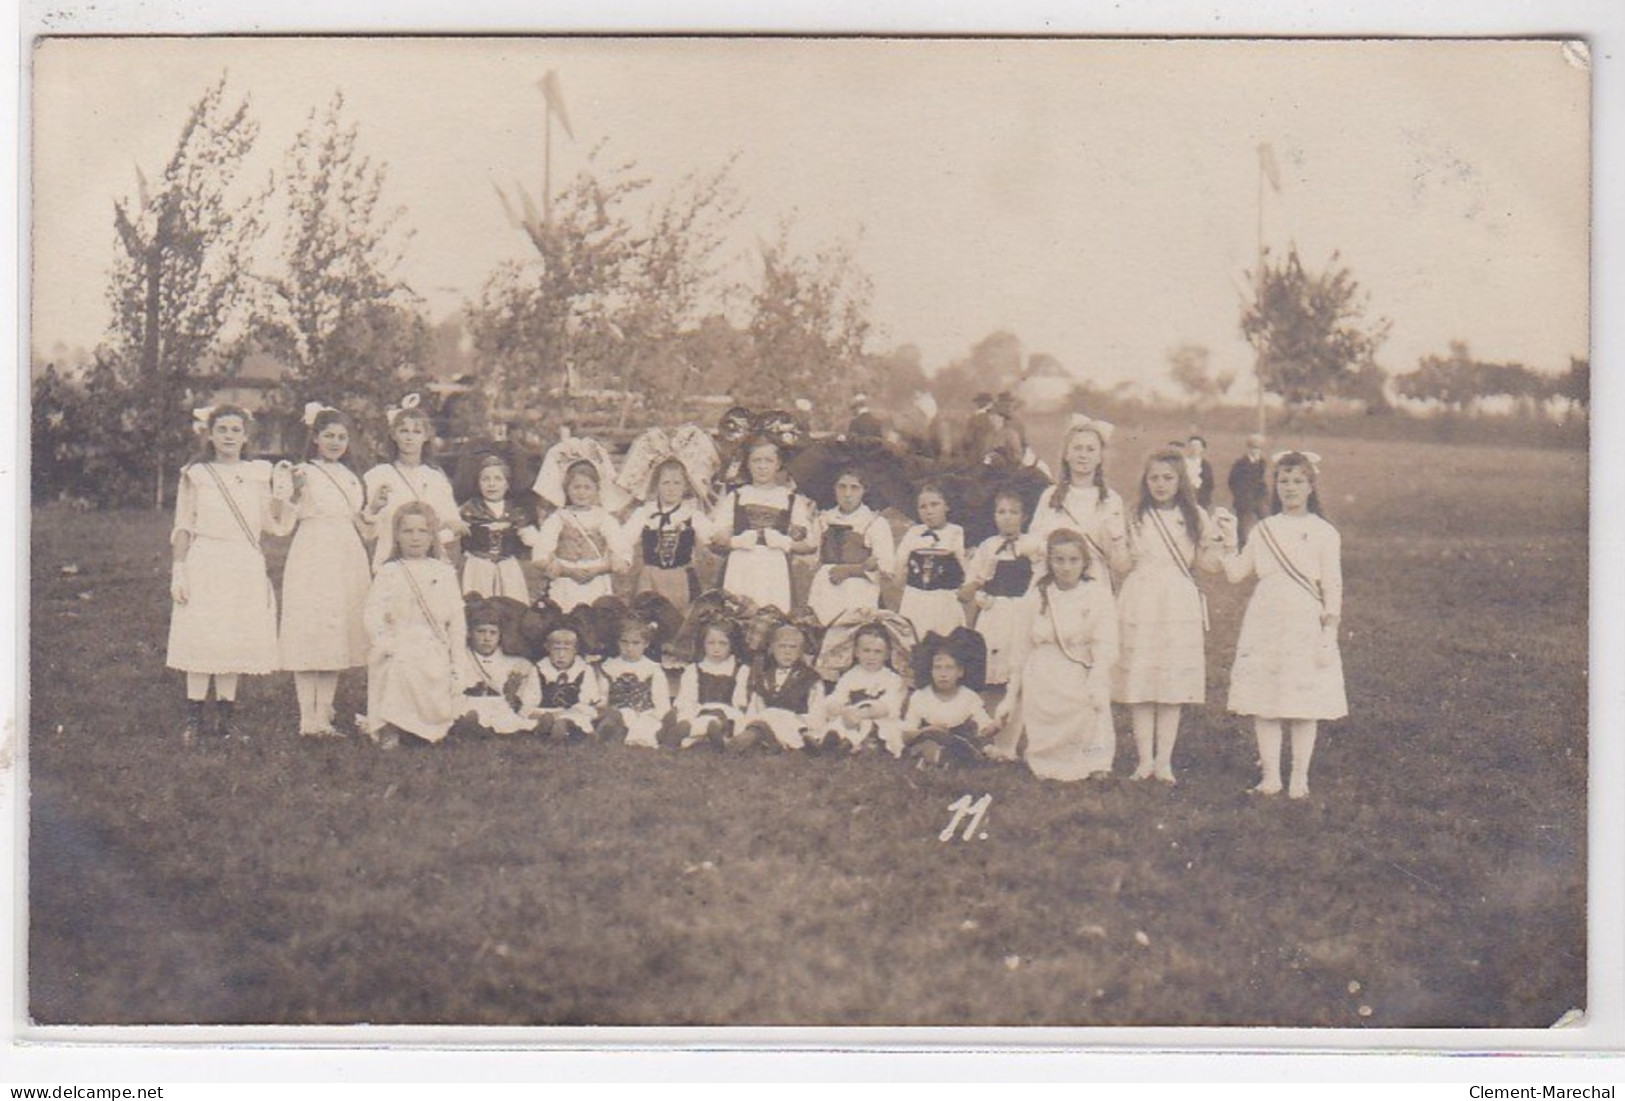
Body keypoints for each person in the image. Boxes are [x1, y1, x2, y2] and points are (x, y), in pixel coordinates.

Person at [1215, 451, 1346, 799]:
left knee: (1305, 702)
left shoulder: (1324, 532)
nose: (1290, 488)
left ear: (1311, 486)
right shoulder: (1264, 529)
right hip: (1266, 618)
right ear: (1275, 486)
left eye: (1298, 481)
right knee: (1266, 699)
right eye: (1283, 481)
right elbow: (1236, 573)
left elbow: (1332, 585)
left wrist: (1329, 631)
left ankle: (1299, 778)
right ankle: (1271, 777)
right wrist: (1229, 537)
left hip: (1305, 619)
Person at [167, 404, 295, 742]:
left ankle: (226, 719)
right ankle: (194, 718)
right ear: (210, 434)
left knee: (233, 637)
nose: (228, 436)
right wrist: (179, 569)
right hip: (206, 559)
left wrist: (282, 494)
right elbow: (183, 525)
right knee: (202, 634)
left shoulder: (256, 474)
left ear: (245, 436)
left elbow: (273, 524)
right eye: (221, 429)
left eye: (235, 430)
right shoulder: (196, 474)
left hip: (243, 561)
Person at [1114, 448, 1224, 783]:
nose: (1160, 484)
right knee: (1142, 679)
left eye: (1168, 478)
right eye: (1154, 478)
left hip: (1176, 600)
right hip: (1141, 597)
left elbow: (1208, 564)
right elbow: (1121, 565)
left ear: (1181, 481)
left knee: (1171, 680)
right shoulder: (1134, 516)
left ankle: (1164, 762)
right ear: (1145, 481)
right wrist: (1115, 540)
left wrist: (1221, 539)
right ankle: (1144, 759)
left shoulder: (1195, 516)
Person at [992, 528, 1119, 779]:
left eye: (1074, 560)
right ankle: (1048, 758)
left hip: (1080, 666)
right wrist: (1011, 693)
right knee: (1044, 701)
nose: (1066, 567)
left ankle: (1094, 762)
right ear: (1049, 561)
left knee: (1093, 704)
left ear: (1084, 563)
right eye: (1059, 560)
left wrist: (1097, 675)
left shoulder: (1097, 595)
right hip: (1044, 669)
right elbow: (1021, 646)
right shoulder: (1037, 596)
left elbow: (1106, 642)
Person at [279, 403, 373, 739]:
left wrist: (372, 511)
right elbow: (285, 520)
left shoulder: (350, 477)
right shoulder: (300, 471)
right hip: (313, 551)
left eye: (342, 437)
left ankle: (324, 714)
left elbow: (363, 526)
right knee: (311, 630)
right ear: (315, 438)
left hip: (346, 553)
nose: (335, 442)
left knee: (337, 632)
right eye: (329, 436)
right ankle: (308, 718)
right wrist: (294, 493)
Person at [363, 502, 469, 749]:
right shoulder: (389, 571)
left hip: (433, 642)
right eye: (408, 531)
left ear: (433, 536)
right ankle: (391, 725)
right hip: (398, 639)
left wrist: (457, 659)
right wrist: (385, 642)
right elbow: (373, 613)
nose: (415, 538)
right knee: (399, 665)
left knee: (429, 667)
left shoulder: (443, 571)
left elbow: (456, 621)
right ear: (397, 536)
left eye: (423, 531)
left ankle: (427, 725)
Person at [711, 437, 814, 614]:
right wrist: (735, 542)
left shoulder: (790, 499)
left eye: (769, 460)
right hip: (740, 567)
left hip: (774, 569)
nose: (762, 466)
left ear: (778, 464)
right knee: (736, 614)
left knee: (773, 615)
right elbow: (716, 538)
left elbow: (809, 544)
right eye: (756, 460)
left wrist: (785, 543)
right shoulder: (736, 496)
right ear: (748, 464)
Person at [363, 394, 465, 570]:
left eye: (416, 432)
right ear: (394, 435)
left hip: (430, 559)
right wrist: (373, 509)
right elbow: (368, 533)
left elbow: (450, 521)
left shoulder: (436, 478)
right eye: (404, 431)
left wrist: (442, 533)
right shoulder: (377, 476)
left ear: (426, 437)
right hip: (390, 559)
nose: (409, 437)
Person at [1029, 415, 1131, 584]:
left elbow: (1120, 562)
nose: (1083, 455)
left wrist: (1114, 540)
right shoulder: (1050, 495)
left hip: (1093, 581)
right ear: (1066, 455)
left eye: (1090, 450)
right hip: (1054, 579)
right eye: (1077, 448)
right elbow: (1035, 543)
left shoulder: (1110, 500)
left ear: (1100, 458)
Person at [962, 489, 1043, 686]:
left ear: (1024, 517)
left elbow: (1041, 578)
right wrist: (979, 594)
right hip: (994, 610)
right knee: (993, 651)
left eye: (1013, 512)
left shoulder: (1033, 544)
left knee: (1019, 653)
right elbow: (974, 578)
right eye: (1002, 512)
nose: (1007, 518)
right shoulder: (988, 546)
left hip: (1021, 609)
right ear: (995, 516)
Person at [532, 456, 633, 613]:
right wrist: (566, 570)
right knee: (565, 614)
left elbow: (621, 549)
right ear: (567, 489)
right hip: (565, 579)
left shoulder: (604, 518)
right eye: (576, 487)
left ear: (596, 490)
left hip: (596, 579)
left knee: (596, 616)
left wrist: (600, 569)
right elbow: (541, 551)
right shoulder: (559, 517)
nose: (581, 493)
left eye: (587, 487)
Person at [806, 467, 895, 626]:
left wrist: (852, 569)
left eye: (854, 487)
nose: (847, 494)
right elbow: (811, 557)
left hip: (858, 590)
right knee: (823, 630)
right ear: (834, 488)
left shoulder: (874, 522)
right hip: (826, 589)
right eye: (842, 486)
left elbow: (886, 567)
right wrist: (802, 530)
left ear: (864, 490)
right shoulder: (823, 519)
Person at [900, 628, 998, 767]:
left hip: (958, 741)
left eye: (949, 668)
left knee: (965, 744)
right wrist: (927, 730)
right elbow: (906, 735)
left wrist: (995, 726)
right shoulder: (920, 696)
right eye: (937, 668)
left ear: (960, 671)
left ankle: (947, 758)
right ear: (930, 670)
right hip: (928, 737)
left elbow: (984, 726)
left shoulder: (969, 697)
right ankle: (934, 758)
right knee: (926, 744)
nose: (943, 674)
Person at [731, 623, 824, 752]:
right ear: (772, 649)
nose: (787, 652)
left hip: (796, 727)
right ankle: (758, 739)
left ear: (801, 651)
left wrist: (809, 728)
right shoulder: (765, 677)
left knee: (773, 715)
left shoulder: (809, 677)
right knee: (764, 718)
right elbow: (756, 708)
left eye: (793, 647)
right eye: (782, 646)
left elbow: (817, 710)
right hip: (767, 725)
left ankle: (771, 741)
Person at [820, 621, 909, 755]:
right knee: (838, 723)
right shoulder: (850, 676)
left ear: (886, 655)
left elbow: (889, 706)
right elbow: (838, 696)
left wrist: (861, 714)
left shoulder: (892, 679)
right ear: (856, 652)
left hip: (878, 720)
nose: (871, 657)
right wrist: (842, 710)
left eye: (877, 652)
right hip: (851, 718)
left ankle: (851, 744)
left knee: (874, 727)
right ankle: (833, 741)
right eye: (866, 651)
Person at [458, 453, 537, 603]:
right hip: (478, 568)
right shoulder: (469, 509)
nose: (491, 484)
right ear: (478, 483)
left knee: (511, 604)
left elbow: (530, 538)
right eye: (485, 479)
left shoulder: (514, 511)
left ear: (507, 484)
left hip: (507, 567)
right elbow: (450, 532)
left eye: (498, 479)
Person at [456, 599, 541, 736]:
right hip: (469, 704)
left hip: (501, 708)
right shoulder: (460, 657)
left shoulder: (516, 662)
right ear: (469, 633)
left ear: (500, 635)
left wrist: (518, 702)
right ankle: (472, 725)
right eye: (481, 631)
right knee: (468, 709)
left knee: (505, 714)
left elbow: (529, 694)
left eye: (492, 633)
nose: (487, 638)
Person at [894, 483, 969, 639]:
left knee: (945, 640)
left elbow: (967, 567)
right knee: (915, 639)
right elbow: (900, 564)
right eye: (923, 507)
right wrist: (906, 587)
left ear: (946, 506)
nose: (929, 511)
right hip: (916, 598)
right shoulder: (913, 533)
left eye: (934, 505)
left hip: (944, 599)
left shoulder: (956, 532)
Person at [672, 618, 751, 750]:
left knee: (727, 721)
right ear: (702, 644)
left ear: (732, 645)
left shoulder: (740, 670)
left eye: (723, 644)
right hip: (700, 710)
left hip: (726, 713)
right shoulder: (694, 669)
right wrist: (688, 713)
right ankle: (690, 732)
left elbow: (739, 702)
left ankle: (710, 734)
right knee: (690, 718)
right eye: (711, 643)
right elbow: (687, 698)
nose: (716, 649)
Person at [596, 617, 673, 749]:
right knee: (621, 715)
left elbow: (661, 701)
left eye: (635, 643)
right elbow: (602, 697)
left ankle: (637, 736)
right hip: (618, 712)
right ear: (618, 642)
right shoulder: (609, 666)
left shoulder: (652, 669)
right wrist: (602, 706)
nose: (629, 648)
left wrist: (659, 715)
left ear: (646, 644)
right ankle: (613, 730)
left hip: (646, 713)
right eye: (624, 642)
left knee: (647, 724)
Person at [527, 621, 605, 740]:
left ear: (575, 650)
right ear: (547, 648)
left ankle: (564, 728)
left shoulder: (583, 669)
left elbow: (587, 700)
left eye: (567, 649)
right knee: (535, 716)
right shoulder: (539, 669)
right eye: (556, 649)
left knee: (583, 715)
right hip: (547, 711)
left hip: (575, 712)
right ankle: (548, 727)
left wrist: (567, 713)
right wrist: (551, 714)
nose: (561, 655)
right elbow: (529, 702)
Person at [1227, 433, 1270, 548]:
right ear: (1249, 448)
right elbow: (1232, 481)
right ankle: (1242, 550)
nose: (1256, 451)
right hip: (1245, 500)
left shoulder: (1261, 462)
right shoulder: (1240, 463)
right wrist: (1240, 496)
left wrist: (1264, 493)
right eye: (1254, 448)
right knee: (1244, 528)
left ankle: (1267, 546)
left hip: (1258, 498)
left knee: (1267, 521)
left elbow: (1261, 480)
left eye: (1259, 449)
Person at [1185, 435, 1216, 511]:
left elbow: (1209, 484)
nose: (1194, 448)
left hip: (1201, 499)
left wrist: (1202, 495)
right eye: (1191, 446)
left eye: (1197, 446)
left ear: (1202, 449)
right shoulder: (1182, 463)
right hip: (1184, 497)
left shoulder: (1206, 466)